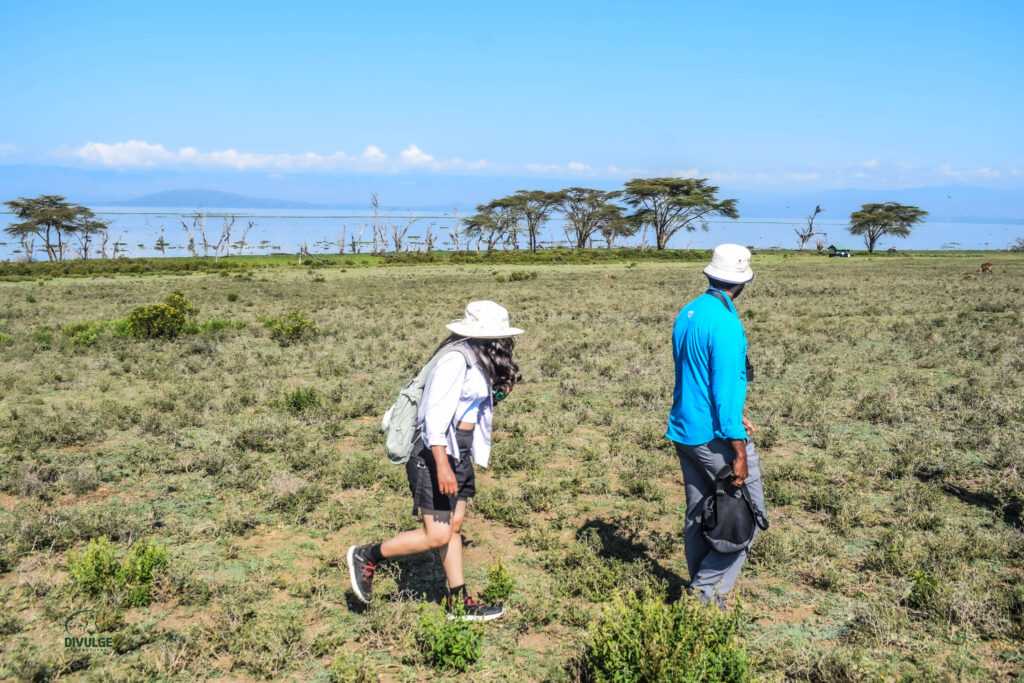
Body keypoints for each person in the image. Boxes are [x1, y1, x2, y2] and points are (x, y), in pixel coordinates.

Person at [347, 301, 522, 621]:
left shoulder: (476, 358)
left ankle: (458, 602)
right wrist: (442, 465)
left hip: (459, 452)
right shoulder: (455, 359)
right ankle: (367, 555)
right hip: (433, 454)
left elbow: (468, 407)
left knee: (453, 527)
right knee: (438, 534)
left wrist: (498, 395)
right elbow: (434, 418)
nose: (505, 342)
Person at [666, 244, 767, 606]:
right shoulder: (726, 323)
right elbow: (724, 389)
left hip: (685, 429)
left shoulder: (689, 311)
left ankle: (701, 594)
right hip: (714, 436)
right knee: (747, 517)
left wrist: (732, 413)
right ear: (743, 282)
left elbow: (695, 374)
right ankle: (703, 596)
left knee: (698, 514)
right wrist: (738, 449)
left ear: (711, 274)